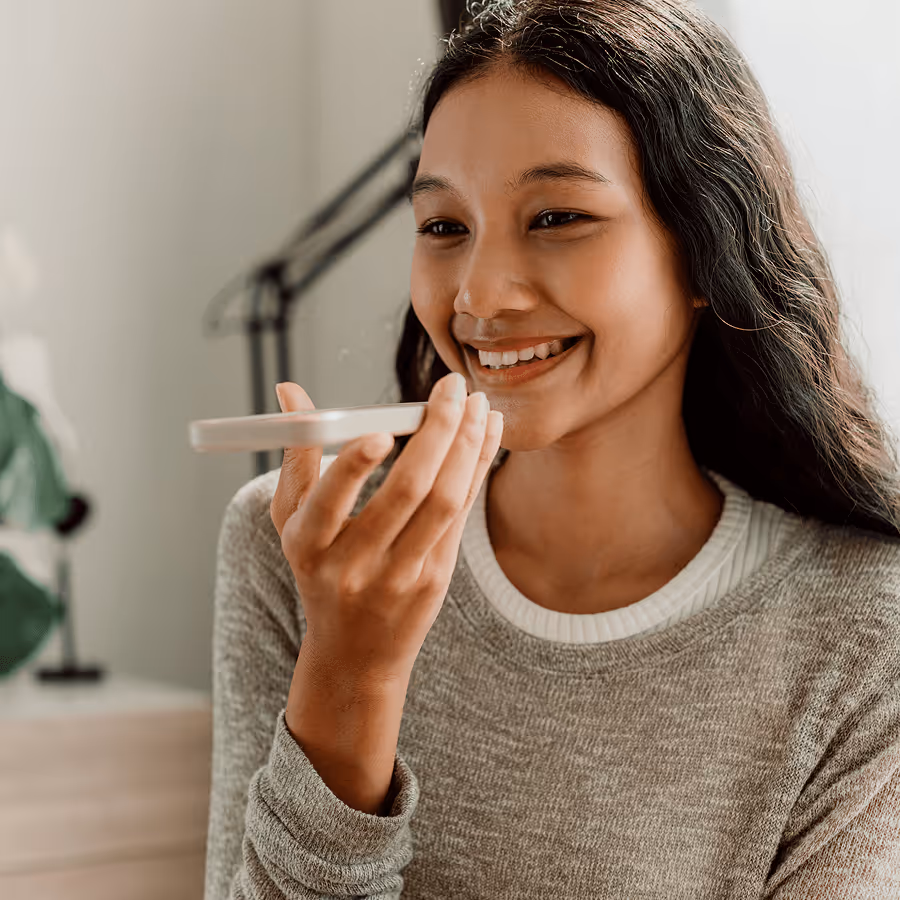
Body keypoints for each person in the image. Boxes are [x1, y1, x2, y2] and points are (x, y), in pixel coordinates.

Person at [204, 1, 900, 896]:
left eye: (558, 217)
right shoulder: (291, 545)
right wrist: (348, 678)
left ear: (704, 252)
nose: (481, 295)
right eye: (444, 227)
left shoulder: (864, 632)